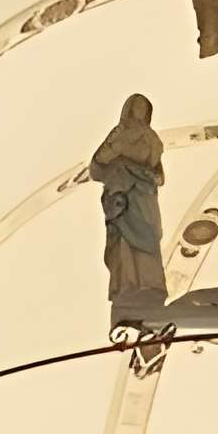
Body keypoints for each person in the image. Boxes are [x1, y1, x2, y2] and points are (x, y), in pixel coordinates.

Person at [92, 94, 166, 307]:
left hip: (144, 199)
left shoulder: (152, 139)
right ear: (129, 109)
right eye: (137, 106)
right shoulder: (119, 133)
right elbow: (96, 168)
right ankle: (127, 283)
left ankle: (150, 283)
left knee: (149, 243)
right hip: (122, 198)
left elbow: (159, 176)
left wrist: (140, 172)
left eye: (144, 107)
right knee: (124, 243)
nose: (140, 110)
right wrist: (119, 160)